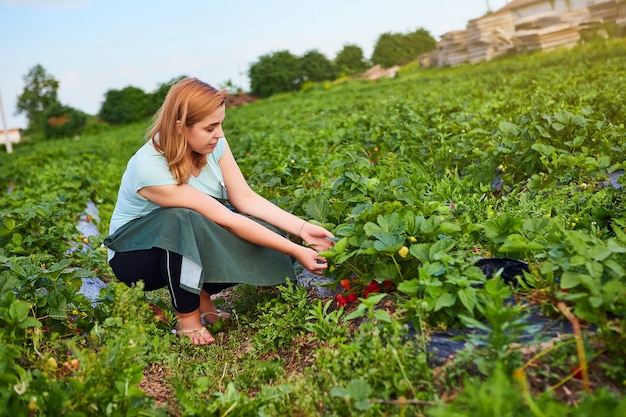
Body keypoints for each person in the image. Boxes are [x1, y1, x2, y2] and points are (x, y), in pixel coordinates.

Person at [104, 77, 334, 345]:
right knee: (180, 219)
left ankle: (201, 296)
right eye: (211, 127)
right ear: (180, 127)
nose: (220, 134)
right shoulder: (149, 167)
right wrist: (295, 249)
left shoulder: (214, 147)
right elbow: (223, 219)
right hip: (135, 256)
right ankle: (187, 319)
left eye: (221, 124)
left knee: (269, 232)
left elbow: (245, 199)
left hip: (183, 239)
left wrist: (302, 229)